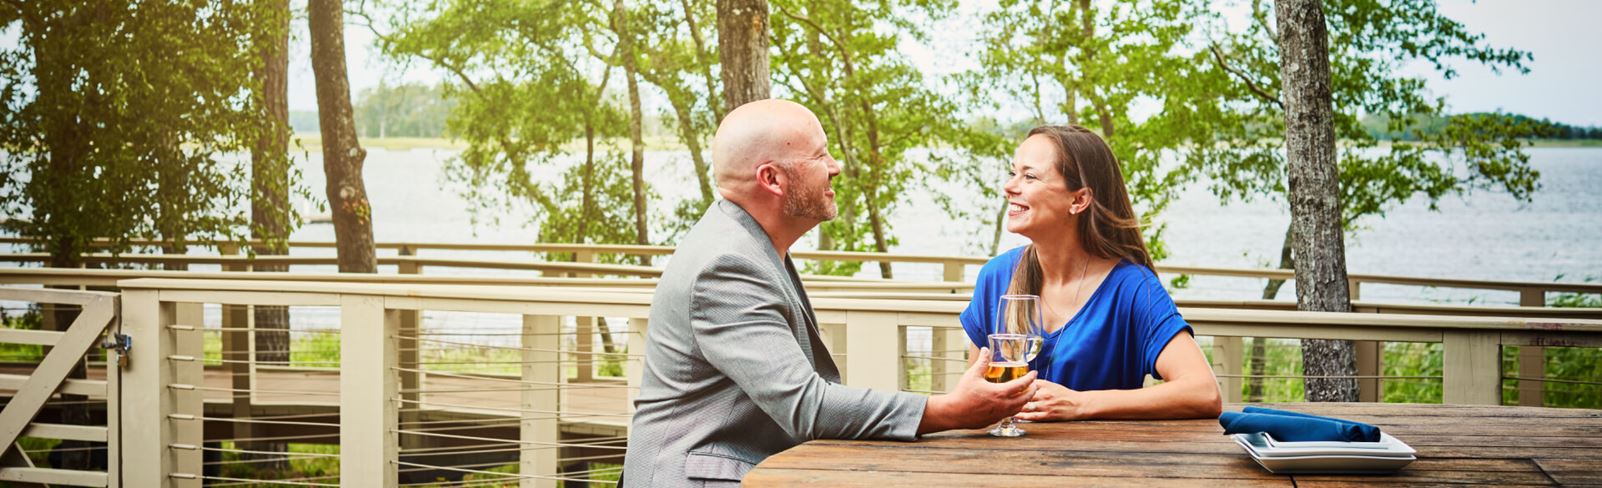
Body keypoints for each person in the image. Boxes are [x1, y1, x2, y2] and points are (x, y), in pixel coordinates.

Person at [622, 99, 1036, 487]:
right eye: (819, 156)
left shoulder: (746, 243)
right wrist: (949, 411)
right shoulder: (726, 266)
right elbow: (807, 406)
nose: (835, 167)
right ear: (772, 178)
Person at [961, 125, 1222, 421]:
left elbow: (1204, 392)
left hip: (1100, 464)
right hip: (1002, 464)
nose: (1010, 187)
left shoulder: (1132, 288)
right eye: (1012, 173)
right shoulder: (995, 278)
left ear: (1078, 200)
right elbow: (975, 397)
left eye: (1029, 176)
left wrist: (1081, 404)